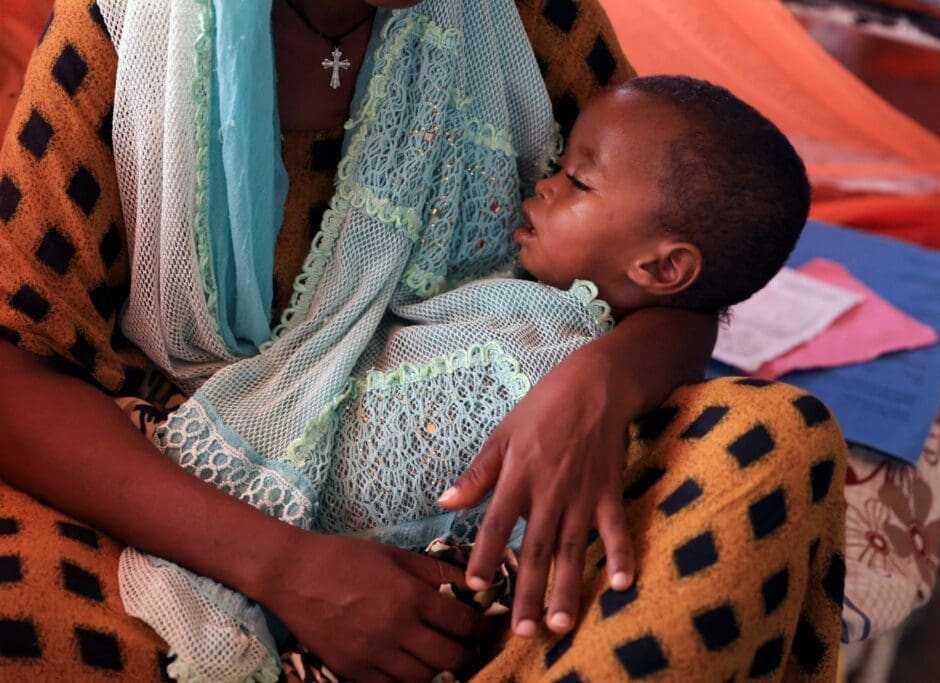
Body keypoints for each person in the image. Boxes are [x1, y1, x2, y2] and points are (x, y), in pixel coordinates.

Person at [0, 0, 846, 681]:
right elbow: (13, 370)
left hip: (493, 507)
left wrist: (601, 385)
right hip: (171, 489)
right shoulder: (121, 29)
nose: (553, 186)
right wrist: (289, 569)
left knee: (779, 443)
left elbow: (680, 260)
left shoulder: (524, 18)